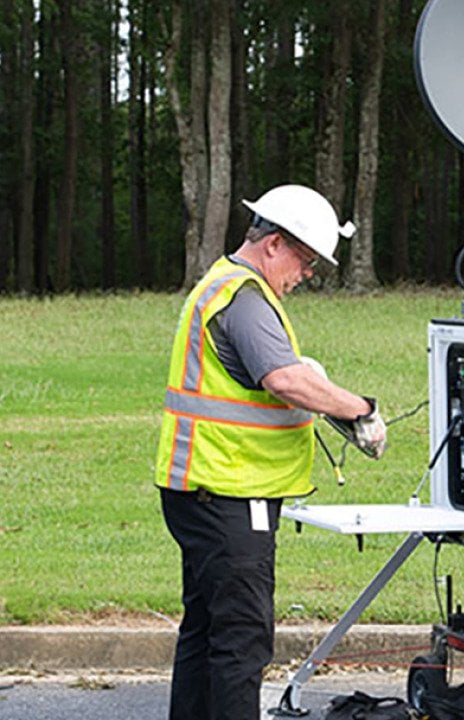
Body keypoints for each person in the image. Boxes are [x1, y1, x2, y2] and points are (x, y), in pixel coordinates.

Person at [154, 184, 387, 720]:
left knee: (206, 630)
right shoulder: (245, 298)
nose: (305, 275)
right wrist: (358, 408)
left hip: (199, 487)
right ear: (275, 244)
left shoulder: (222, 285)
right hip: (232, 493)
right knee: (242, 638)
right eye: (306, 261)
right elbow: (284, 379)